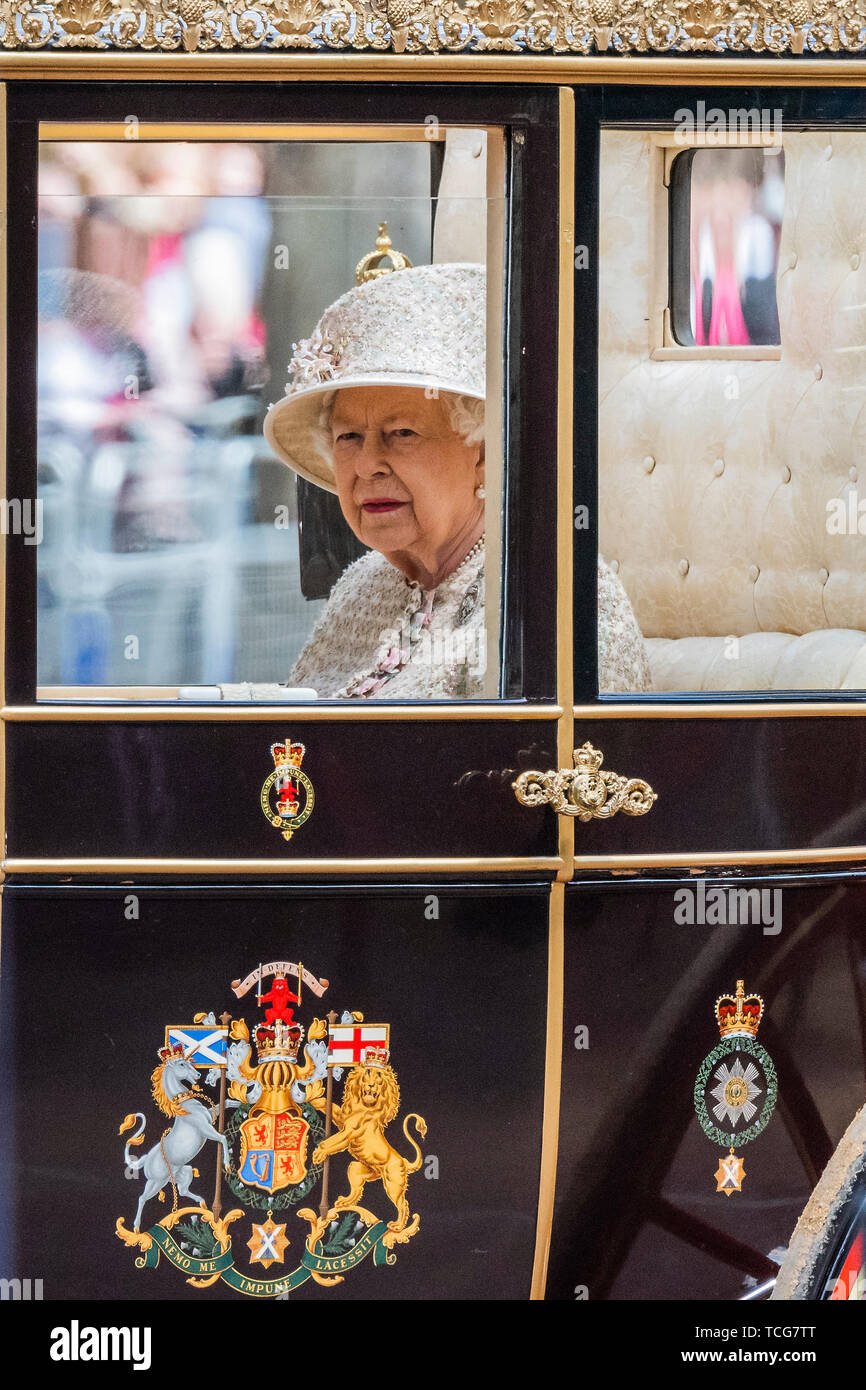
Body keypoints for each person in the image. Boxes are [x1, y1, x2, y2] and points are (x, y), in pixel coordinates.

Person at [264, 261, 651, 697]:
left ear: (484, 453)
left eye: (402, 434)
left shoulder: (554, 595)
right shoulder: (361, 588)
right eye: (348, 436)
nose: (367, 463)